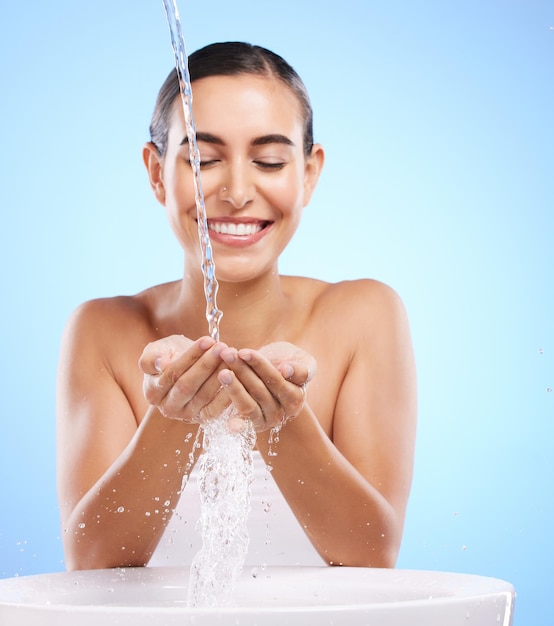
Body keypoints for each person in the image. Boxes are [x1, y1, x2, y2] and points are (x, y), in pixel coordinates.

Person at [56, 42, 417, 571]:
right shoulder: (103, 331)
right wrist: (174, 416)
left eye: (269, 160)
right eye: (203, 159)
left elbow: (371, 555)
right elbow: (91, 566)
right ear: (157, 172)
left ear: (309, 173)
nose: (238, 192)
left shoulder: (364, 317)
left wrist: (283, 423)